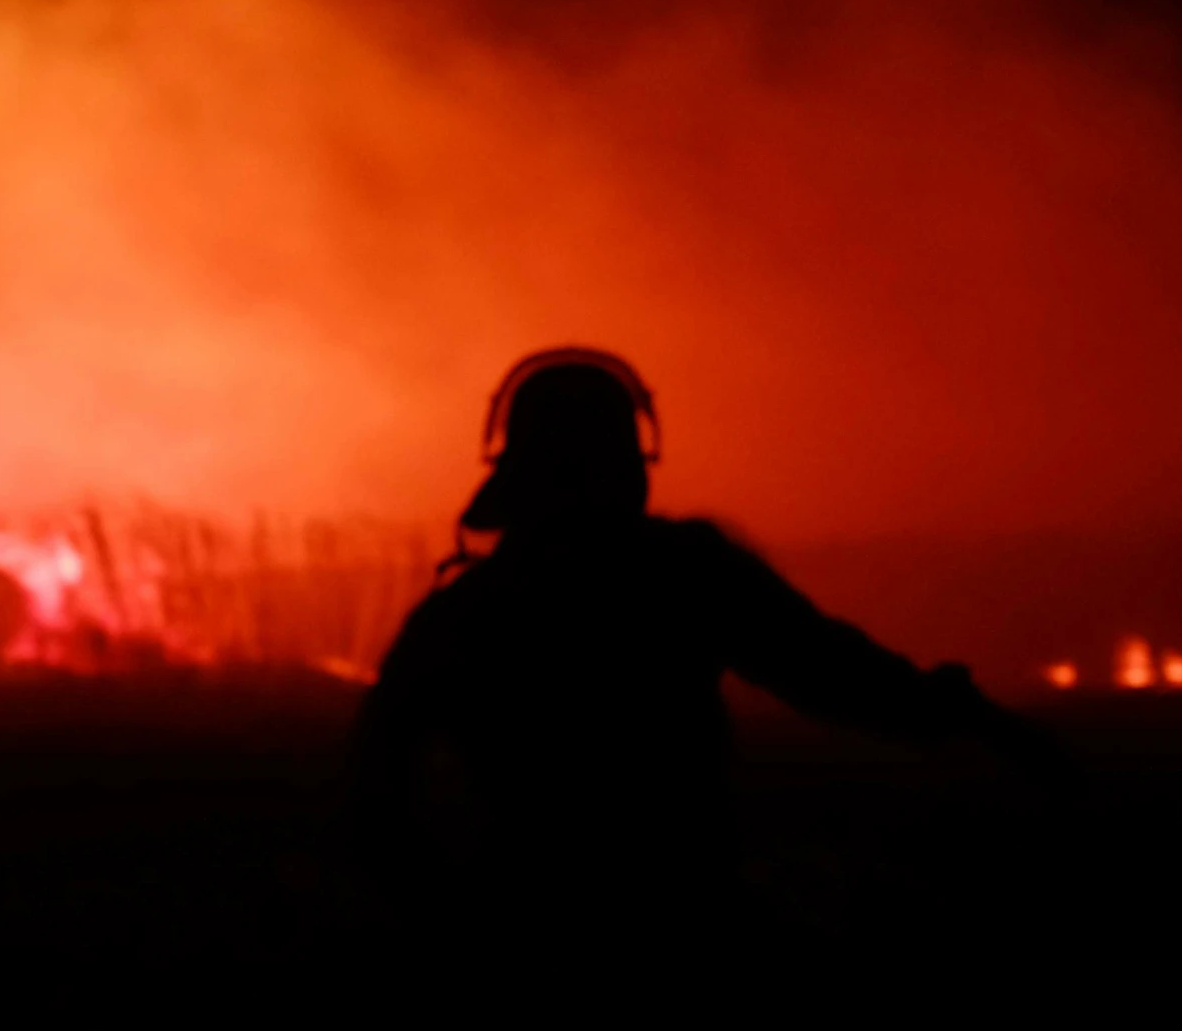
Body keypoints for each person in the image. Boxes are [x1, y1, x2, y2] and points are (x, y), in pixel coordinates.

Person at [348, 347, 1061, 969]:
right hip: (687, 920)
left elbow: (373, 780)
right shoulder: (687, 574)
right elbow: (838, 675)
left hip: (523, 922)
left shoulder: (468, 610)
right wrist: (975, 718)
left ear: (513, 470)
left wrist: (442, 913)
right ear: (630, 460)